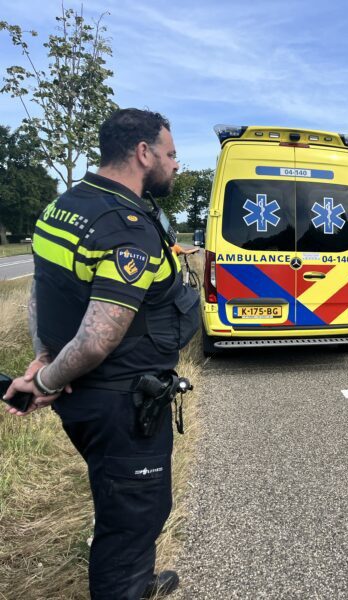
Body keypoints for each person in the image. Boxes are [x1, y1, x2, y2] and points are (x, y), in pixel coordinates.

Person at [2, 108, 200, 599]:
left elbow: (43, 295)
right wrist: (46, 382)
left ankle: (139, 579)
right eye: (171, 154)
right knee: (132, 519)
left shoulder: (64, 206)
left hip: (92, 398)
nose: (176, 164)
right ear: (143, 153)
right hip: (121, 403)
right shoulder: (126, 227)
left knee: (122, 502)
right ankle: (128, 586)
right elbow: (96, 339)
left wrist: (45, 356)